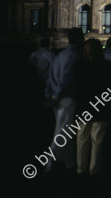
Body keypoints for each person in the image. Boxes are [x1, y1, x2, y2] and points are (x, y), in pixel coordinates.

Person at [44, 28, 85, 173]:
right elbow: (65, 79)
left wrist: (49, 95)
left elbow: (50, 76)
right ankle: (49, 164)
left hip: (58, 98)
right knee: (62, 133)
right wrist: (55, 96)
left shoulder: (60, 55)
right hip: (66, 98)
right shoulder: (74, 55)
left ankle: (69, 163)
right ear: (81, 39)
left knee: (66, 132)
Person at [76, 39, 111, 176]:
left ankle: (80, 168)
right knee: (97, 139)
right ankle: (94, 169)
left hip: (84, 106)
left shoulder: (79, 65)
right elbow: (110, 87)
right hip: (100, 106)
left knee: (81, 138)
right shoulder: (106, 65)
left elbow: (76, 87)